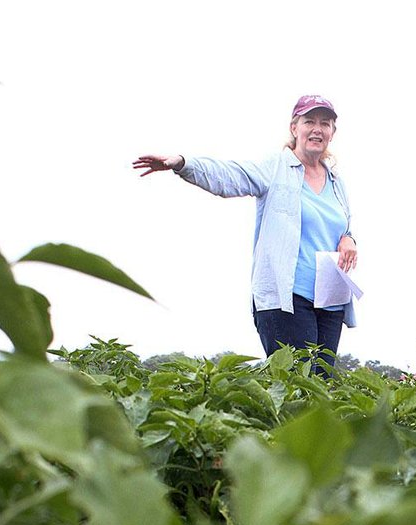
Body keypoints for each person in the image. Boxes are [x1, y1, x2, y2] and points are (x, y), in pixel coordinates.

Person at [133, 94, 358, 371]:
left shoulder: (336, 181)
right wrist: (183, 164)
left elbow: (343, 224)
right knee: (298, 384)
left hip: (329, 301)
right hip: (287, 299)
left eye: (325, 123)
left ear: (332, 132)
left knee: (323, 388)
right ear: (294, 128)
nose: (317, 129)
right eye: (309, 121)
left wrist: (350, 238)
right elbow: (231, 176)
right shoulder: (276, 168)